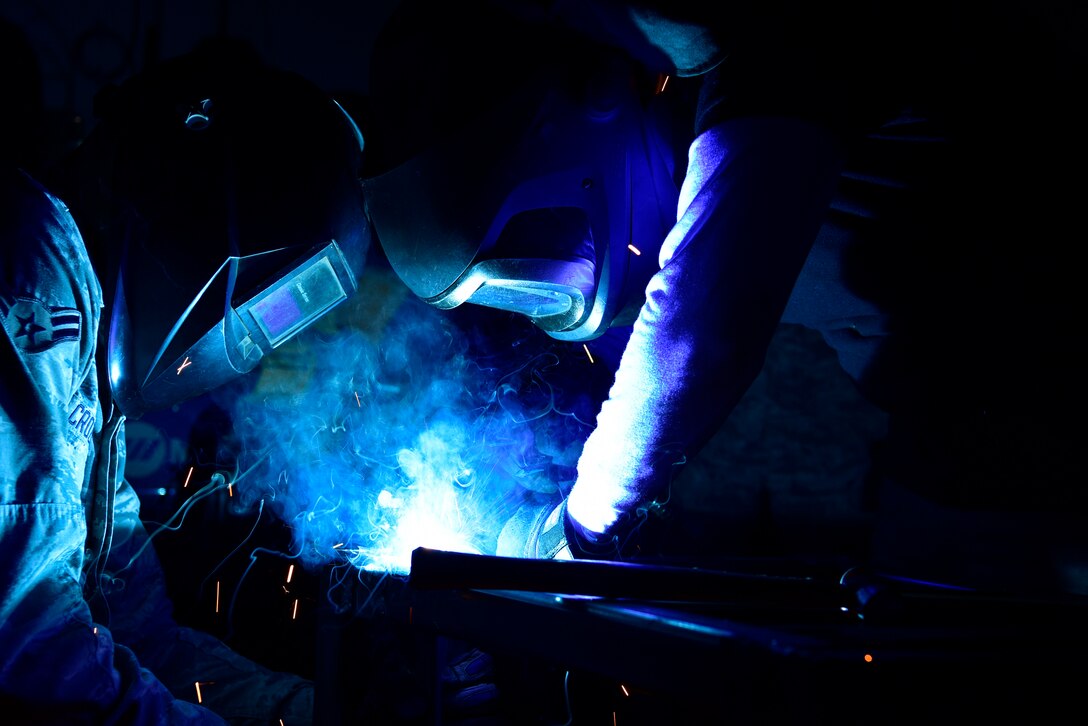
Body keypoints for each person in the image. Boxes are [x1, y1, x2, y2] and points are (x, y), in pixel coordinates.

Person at [363, 1, 1088, 594]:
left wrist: (578, 532)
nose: (549, 291)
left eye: (539, 243)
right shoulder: (689, 141)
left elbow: (696, 333)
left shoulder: (780, 51)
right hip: (960, 456)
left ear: (597, 100)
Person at [1, 34, 370, 723]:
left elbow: (147, 645)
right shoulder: (31, 263)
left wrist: (319, 712)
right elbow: (34, 657)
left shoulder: (90, 371)